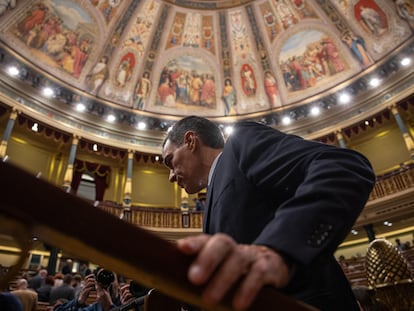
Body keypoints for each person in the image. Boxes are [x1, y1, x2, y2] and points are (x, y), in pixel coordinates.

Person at [161, 116, 375, 311]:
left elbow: (343, 166)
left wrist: (280, 250)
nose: (170, 176)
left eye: (170, 161)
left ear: (190, 141)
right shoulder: (212, 192)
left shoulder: (239, 144)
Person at [54, 269, 133, 311]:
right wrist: (79, 301)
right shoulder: (95, 307)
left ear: (119, 285)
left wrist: (110, 308)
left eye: (110, 277)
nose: (107, 283)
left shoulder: (127, 304)